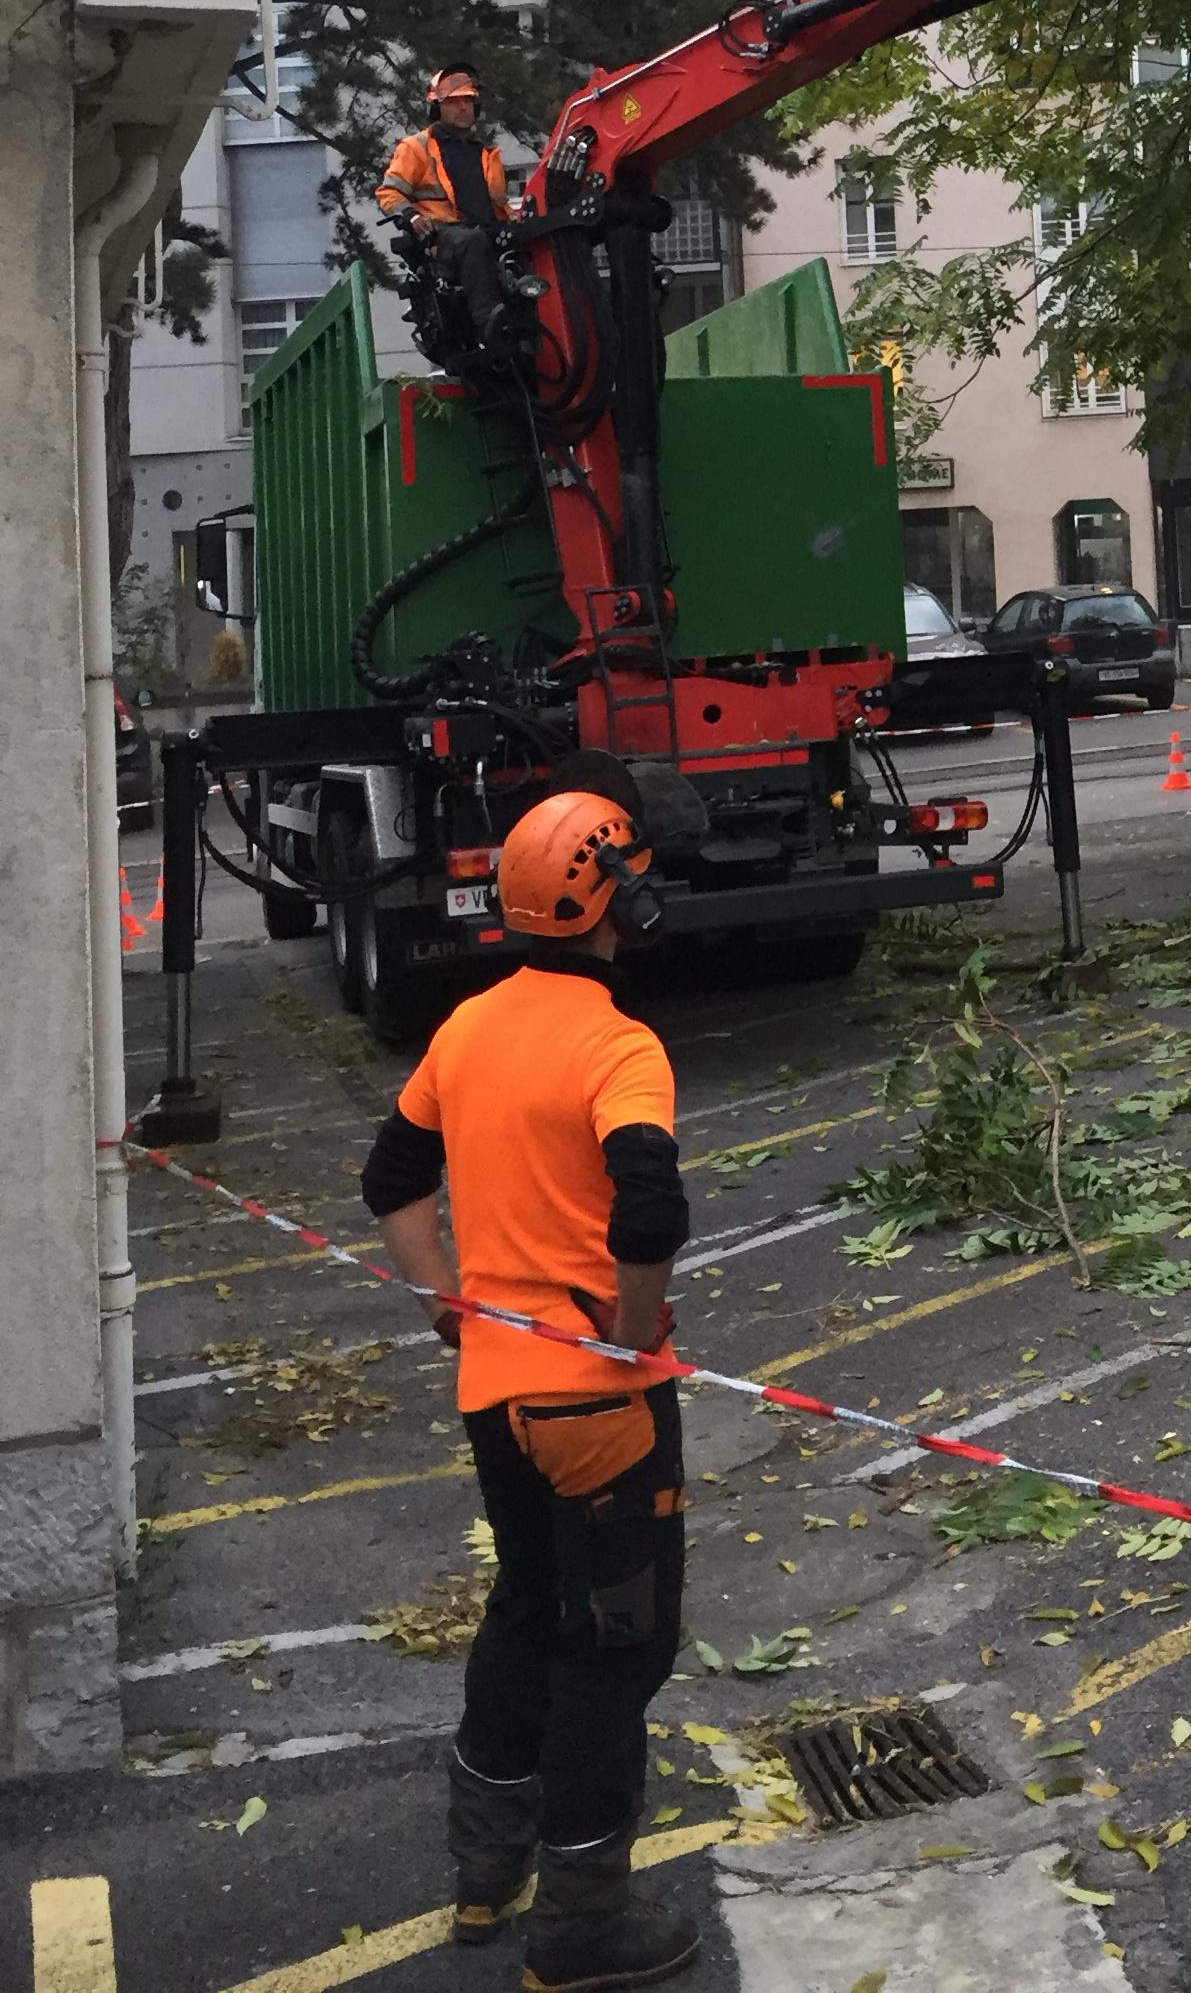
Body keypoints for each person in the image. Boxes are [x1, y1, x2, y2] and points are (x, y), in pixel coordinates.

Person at [360, 758, 698, 1990]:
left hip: (495, 1396)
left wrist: (445, 1300)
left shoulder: (467, 1027)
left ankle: (484, 1872)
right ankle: (582, 1931)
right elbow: (648, 1209)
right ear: (615, 902)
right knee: (614, 1648)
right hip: (598, 1408)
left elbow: (392, 1179)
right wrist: (633, 1333)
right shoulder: (620, 1047)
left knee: (526, 1605)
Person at [376, 64, 517, 350]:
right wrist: (411, 216)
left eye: (468, 100)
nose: (463, 108)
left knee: (527, 239)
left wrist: (518, 221)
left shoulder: (486, 153)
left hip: (486, 230)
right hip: (443, 235)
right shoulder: (416, 148)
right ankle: (490, 323)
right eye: (453, 102)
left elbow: (498, 205)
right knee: (474, 241)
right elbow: (389, 192)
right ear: (436, 108)